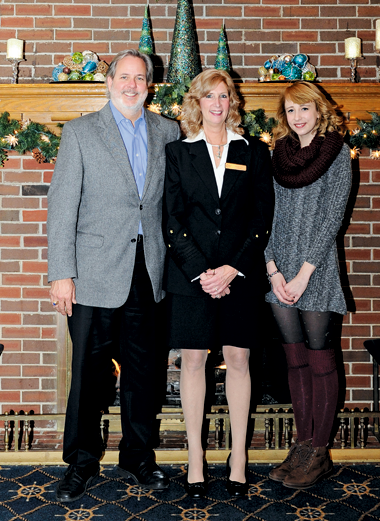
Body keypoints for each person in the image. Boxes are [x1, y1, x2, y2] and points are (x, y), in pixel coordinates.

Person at [47, 49, 180, 503]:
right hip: (93, 274)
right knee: (88, 375)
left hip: (150, 270)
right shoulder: (81, 132)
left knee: (145, 374)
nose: (131, 85)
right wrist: (62, 273)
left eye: (139, 78)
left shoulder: (169, 131)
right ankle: (81, 462)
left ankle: (139, 457)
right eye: (123, 77)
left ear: (149, 85)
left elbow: (171, 205)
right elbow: (62, 207)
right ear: (109, 82)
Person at [163, 69, 274, 499]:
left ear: (233, 103)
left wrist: (232, 268)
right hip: (192, 278)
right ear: (197, 102)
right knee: (192, 362)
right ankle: (195, 459)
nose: (217, 103)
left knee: (239, 361)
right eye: (209, 95)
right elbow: (170, 218)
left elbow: (261, 219)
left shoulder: (254, 151)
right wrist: (203, 271)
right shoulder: (177, 152)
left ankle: (239, 458)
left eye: (224, 96)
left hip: (239, 275)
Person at [265, 81, 352, 489]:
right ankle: (301, 443)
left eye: (304, 109)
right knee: (294, 358)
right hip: (279, 271)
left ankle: (320, 451)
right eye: (291, 110)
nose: (298, 117)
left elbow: (333, 217)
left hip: (314, 270)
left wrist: (303, 273)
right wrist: (272, 268)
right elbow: (267, 214)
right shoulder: (277, 155)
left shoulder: (337, 153)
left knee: (320, 358)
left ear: (319, 110)